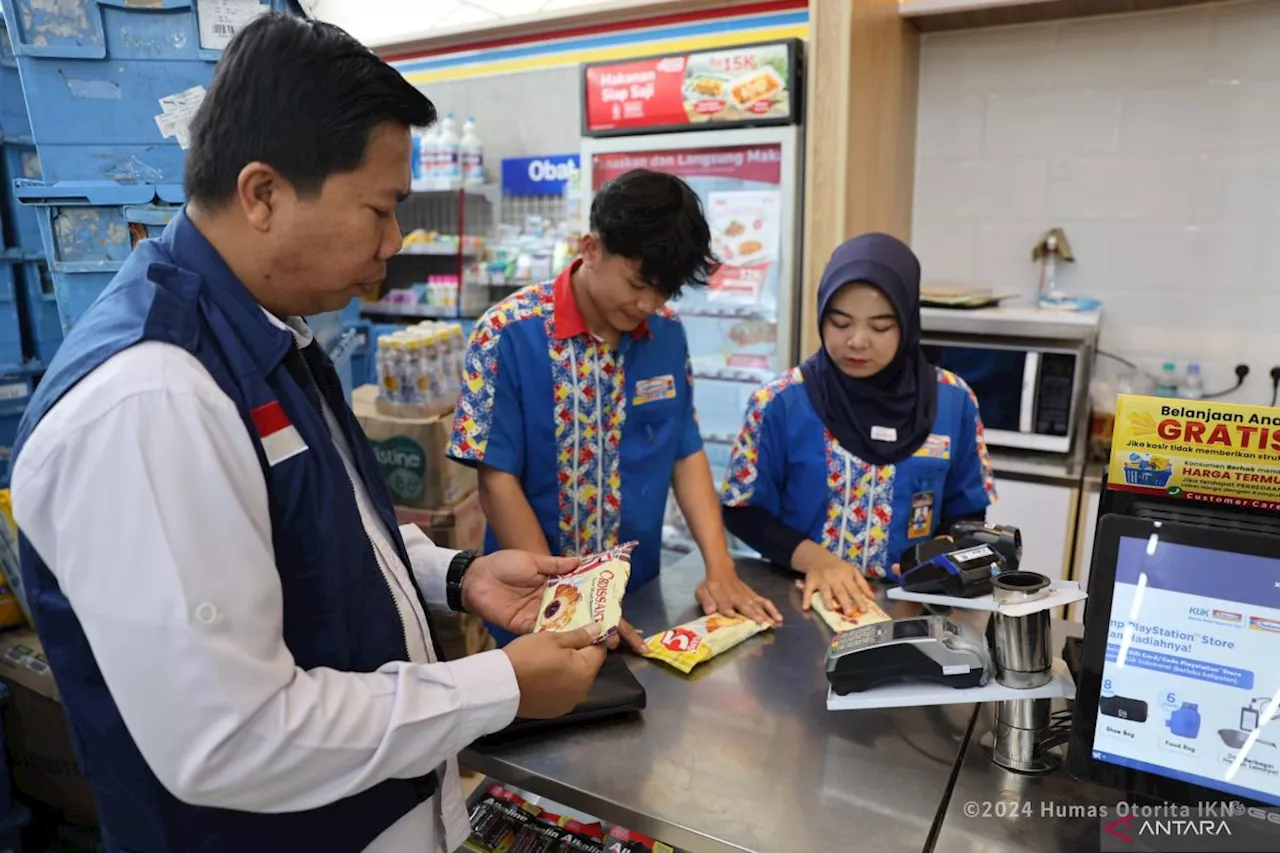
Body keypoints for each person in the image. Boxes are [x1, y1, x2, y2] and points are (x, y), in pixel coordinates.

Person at [9, 16, 606, 853]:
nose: (395, 243)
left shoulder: (261, 332)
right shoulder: (152, 400)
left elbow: (301, 532)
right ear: (262, 194)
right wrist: (499, 684)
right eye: (380, 209)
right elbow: (233, 735)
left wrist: (455, 573)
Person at [448, 169, 781, 651]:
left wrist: (720, 566)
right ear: (591, 248)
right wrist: (564, 603)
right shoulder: (506, 334)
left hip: (639, 595)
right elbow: (497, 479)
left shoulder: (666, 333)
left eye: (665, 290)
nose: (648, 303)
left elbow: (684, 451)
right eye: (638, 283)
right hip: (534, 606)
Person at [720, 233, 996, 616]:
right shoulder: (780, 402)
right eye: (840, 322)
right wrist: (817, 560)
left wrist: (940, 556)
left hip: (909, 608)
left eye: (881, 327)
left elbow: (967, 511)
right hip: (798, 603)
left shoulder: (953, 401)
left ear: (907, 322)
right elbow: (742, 510)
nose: (857, 341)